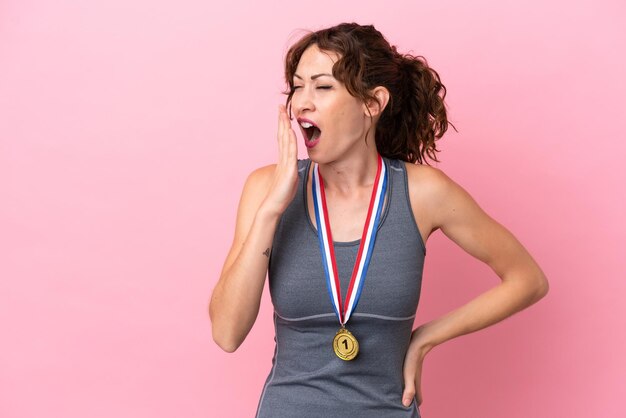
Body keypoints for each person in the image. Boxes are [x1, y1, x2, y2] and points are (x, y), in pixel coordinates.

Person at [209, 22, 549, 418]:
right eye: (297, 87)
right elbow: (227, 333)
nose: (301, 102)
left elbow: (528, 279)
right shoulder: (265, 187)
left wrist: (426, 338)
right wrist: (272, 209)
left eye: (321, 87)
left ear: (373, 103)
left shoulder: (422, 193)